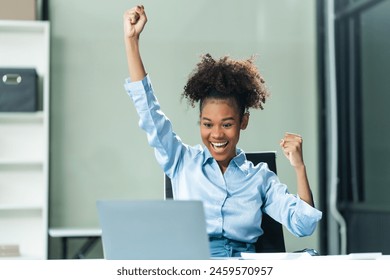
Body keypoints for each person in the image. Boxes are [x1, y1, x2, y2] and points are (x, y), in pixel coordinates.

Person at [123, 5, 322, 258]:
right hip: (194, 268)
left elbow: (304, 225)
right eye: (208, 124)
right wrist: (131, 41)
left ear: (243, 122)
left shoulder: (259, 178)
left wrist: (299, 167)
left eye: (227, 124)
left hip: (246, 269)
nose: (216, 134)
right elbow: (149, 112)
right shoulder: (181, 161)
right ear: (200, 122)